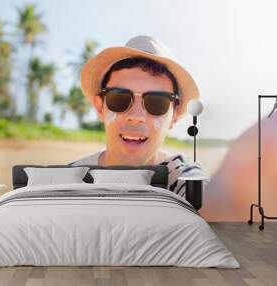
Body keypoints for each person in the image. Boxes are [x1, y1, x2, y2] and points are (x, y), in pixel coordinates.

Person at [69, 35, 207, 196]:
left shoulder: (184, 178)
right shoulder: (70, 180)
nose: (136, 116)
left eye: (157, 102)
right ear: (100, 107)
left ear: (174, 116)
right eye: (119, 98)